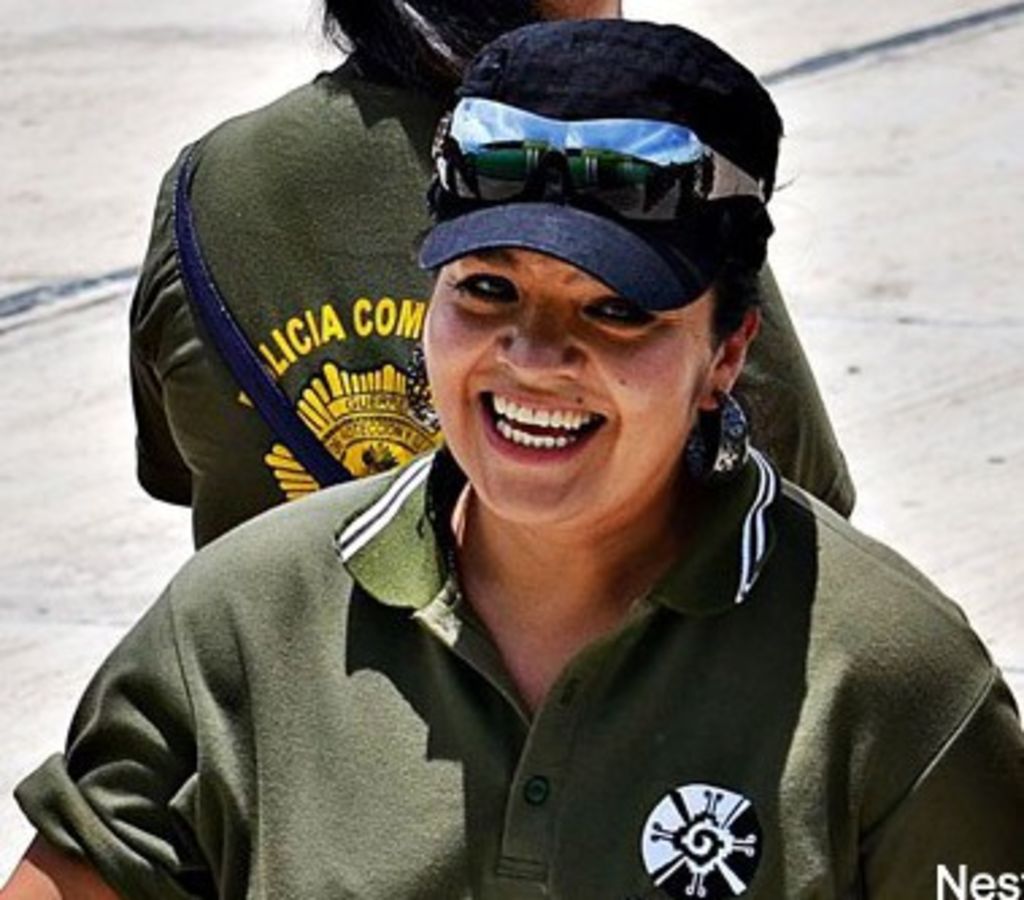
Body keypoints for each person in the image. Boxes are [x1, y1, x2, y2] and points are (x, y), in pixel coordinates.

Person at [10, 19, 1019, 900]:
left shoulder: (893, 679)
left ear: (726, 356)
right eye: (486, 291)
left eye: (615, 311)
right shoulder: (238, 625)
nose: (532, 360)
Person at [131, 0, 855, 548]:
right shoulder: (634, 181)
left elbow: (184, 464)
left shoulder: (207, 186)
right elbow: (802, 501)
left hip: (278, 689)